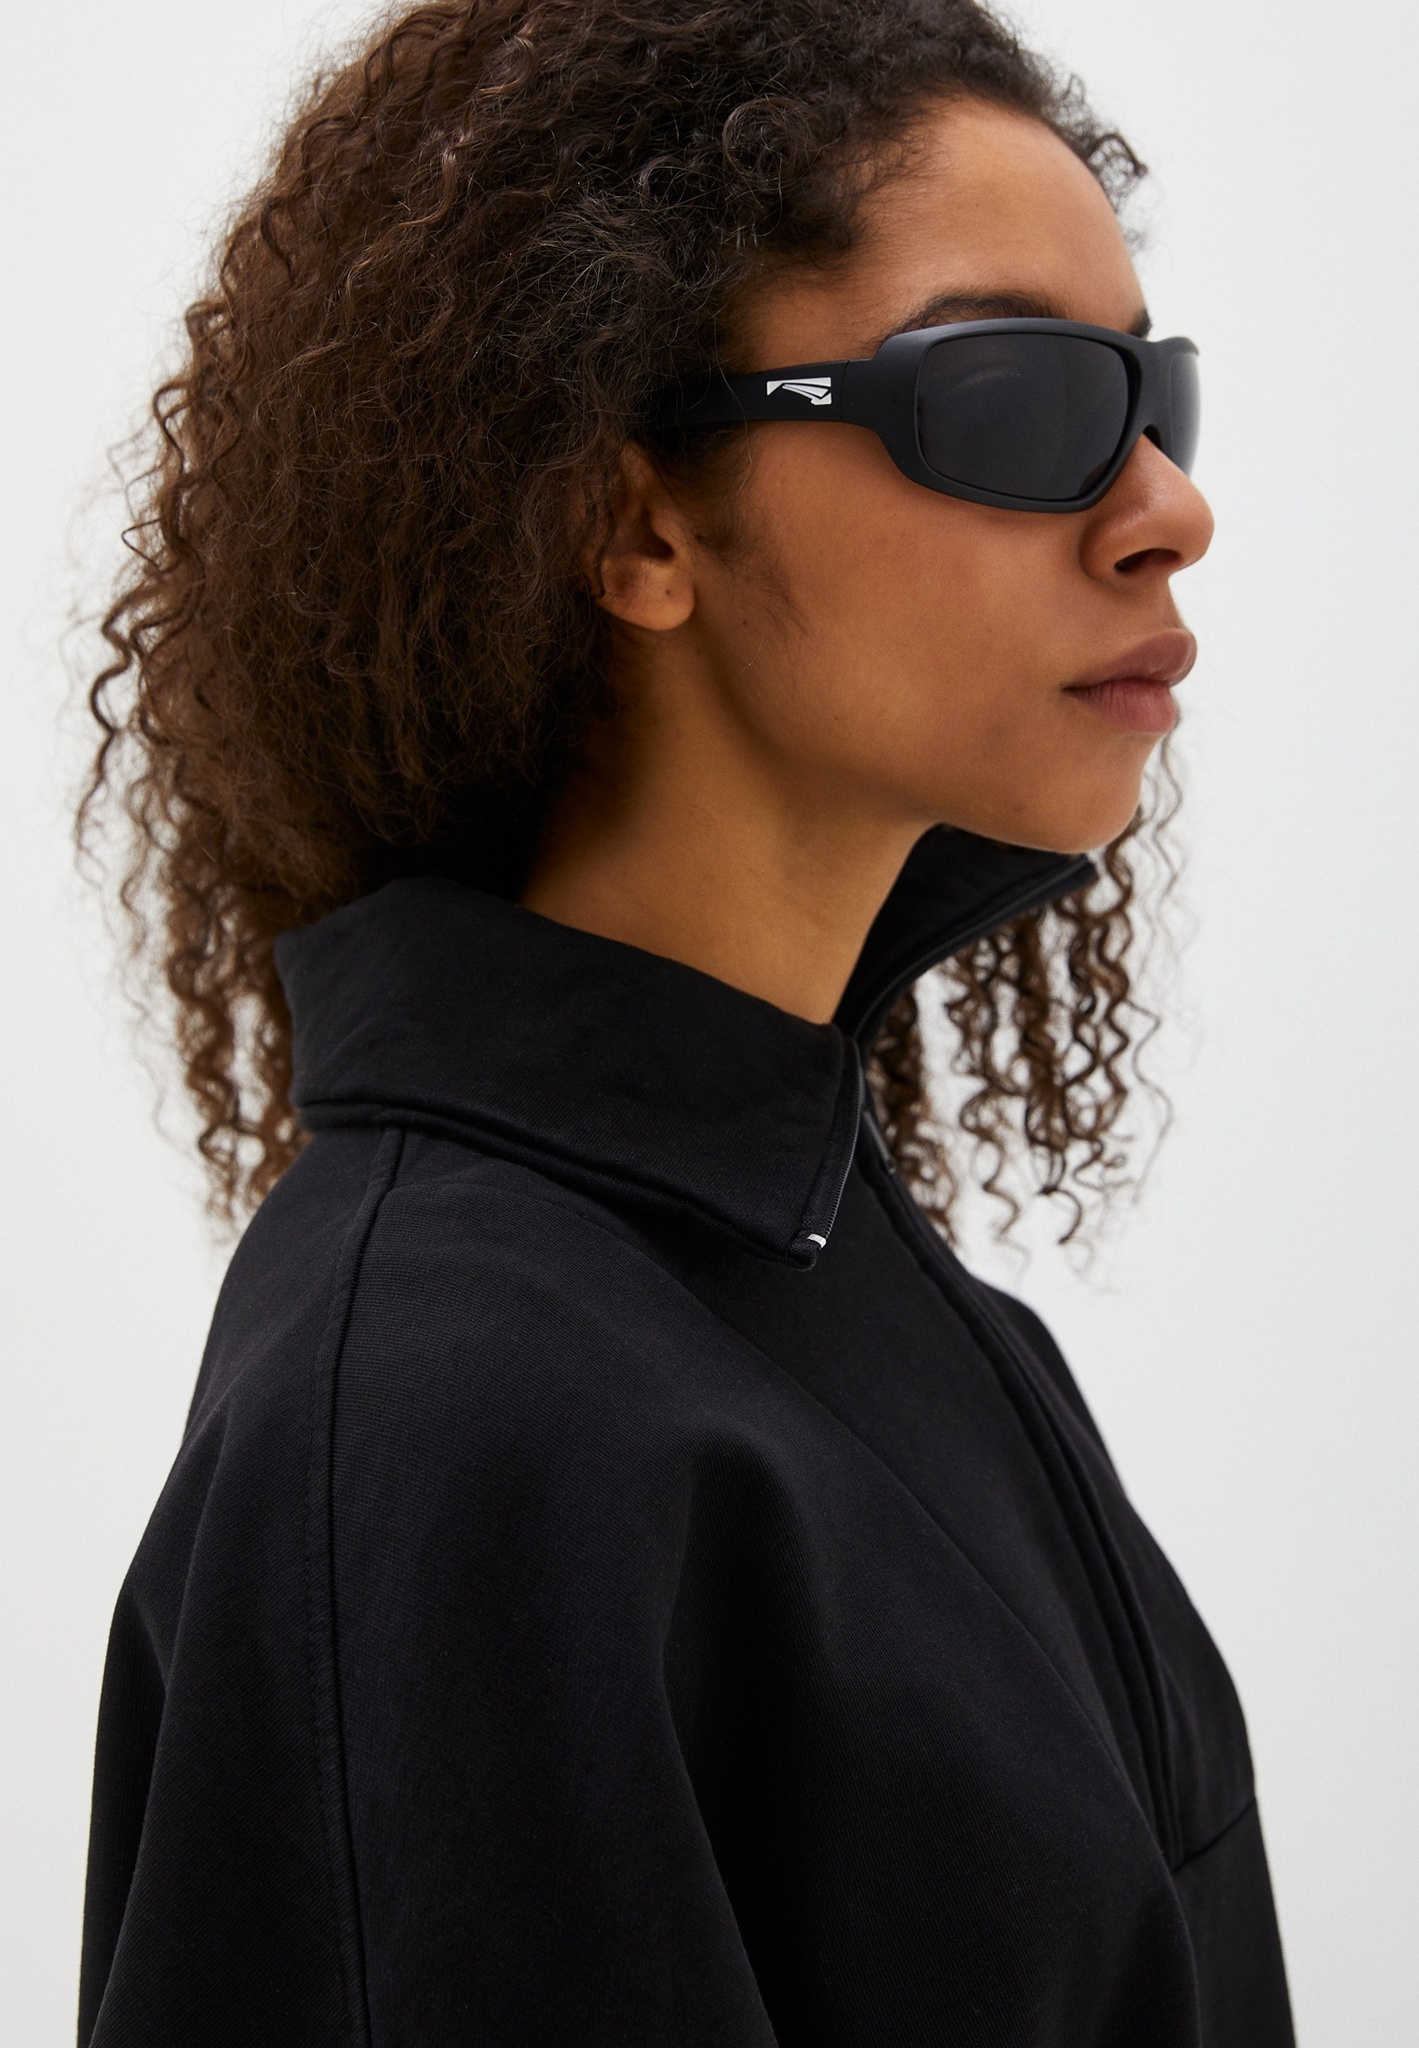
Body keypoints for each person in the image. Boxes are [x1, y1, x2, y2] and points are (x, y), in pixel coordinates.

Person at [76, 1, 1293, 2041]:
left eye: (1150, 398)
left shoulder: (868, 1301)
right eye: (1016, 400)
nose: (1166, 505)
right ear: (634, 524)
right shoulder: (455, 1423)